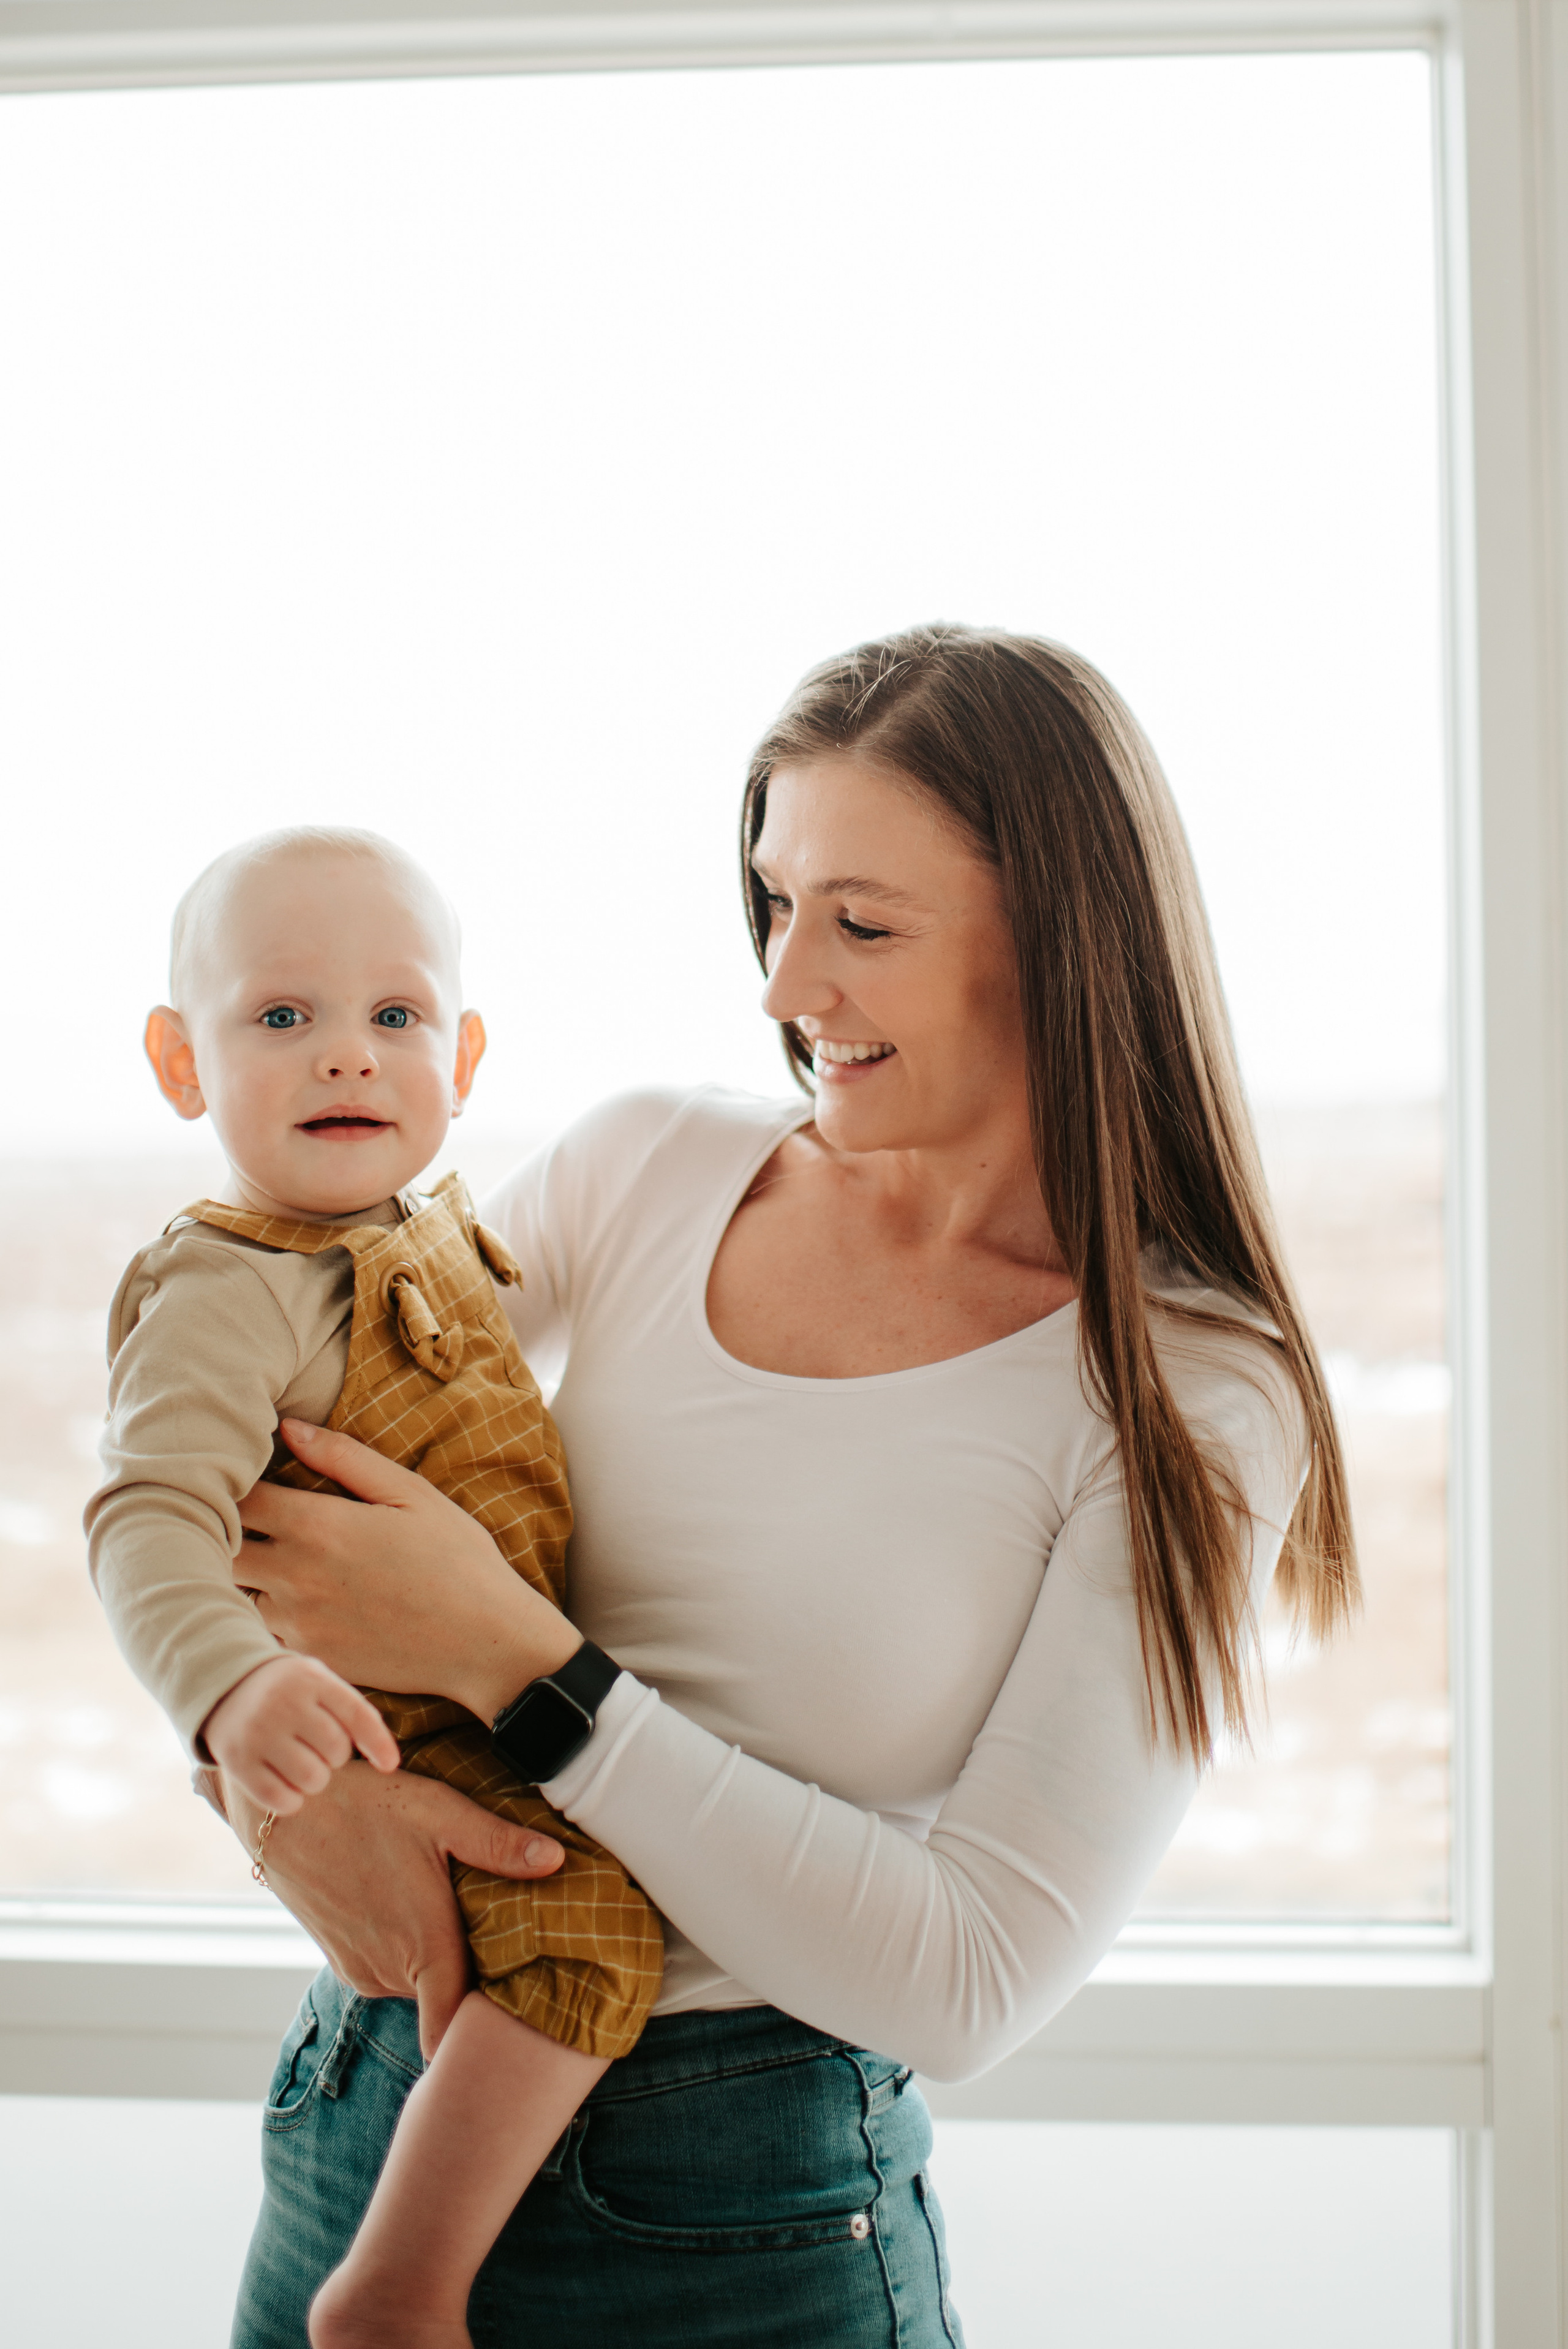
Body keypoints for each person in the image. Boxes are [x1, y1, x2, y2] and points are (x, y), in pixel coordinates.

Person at [219, 627, 1358, 2349]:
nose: (780, 983)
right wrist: (267, 1782)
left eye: (865, 925)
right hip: (374, 2101)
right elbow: (231, 1433)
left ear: (1063, 937)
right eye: (775, 901)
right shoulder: (642, 1168)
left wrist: (527, 1670)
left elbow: (968, 1975)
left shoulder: (1190, 1390)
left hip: (742, 2216)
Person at [85, 831, 663, 2349]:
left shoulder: (434, 1230)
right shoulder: (223, 1286)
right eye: (282, 1018)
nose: (346, 1053)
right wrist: (228, 1687)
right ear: (178, 1060)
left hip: (489, 1675)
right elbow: (145, 1513)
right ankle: (399, 2282)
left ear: (463, 1056)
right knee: (591, 1931)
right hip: (399, 1724)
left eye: (394, 1018)